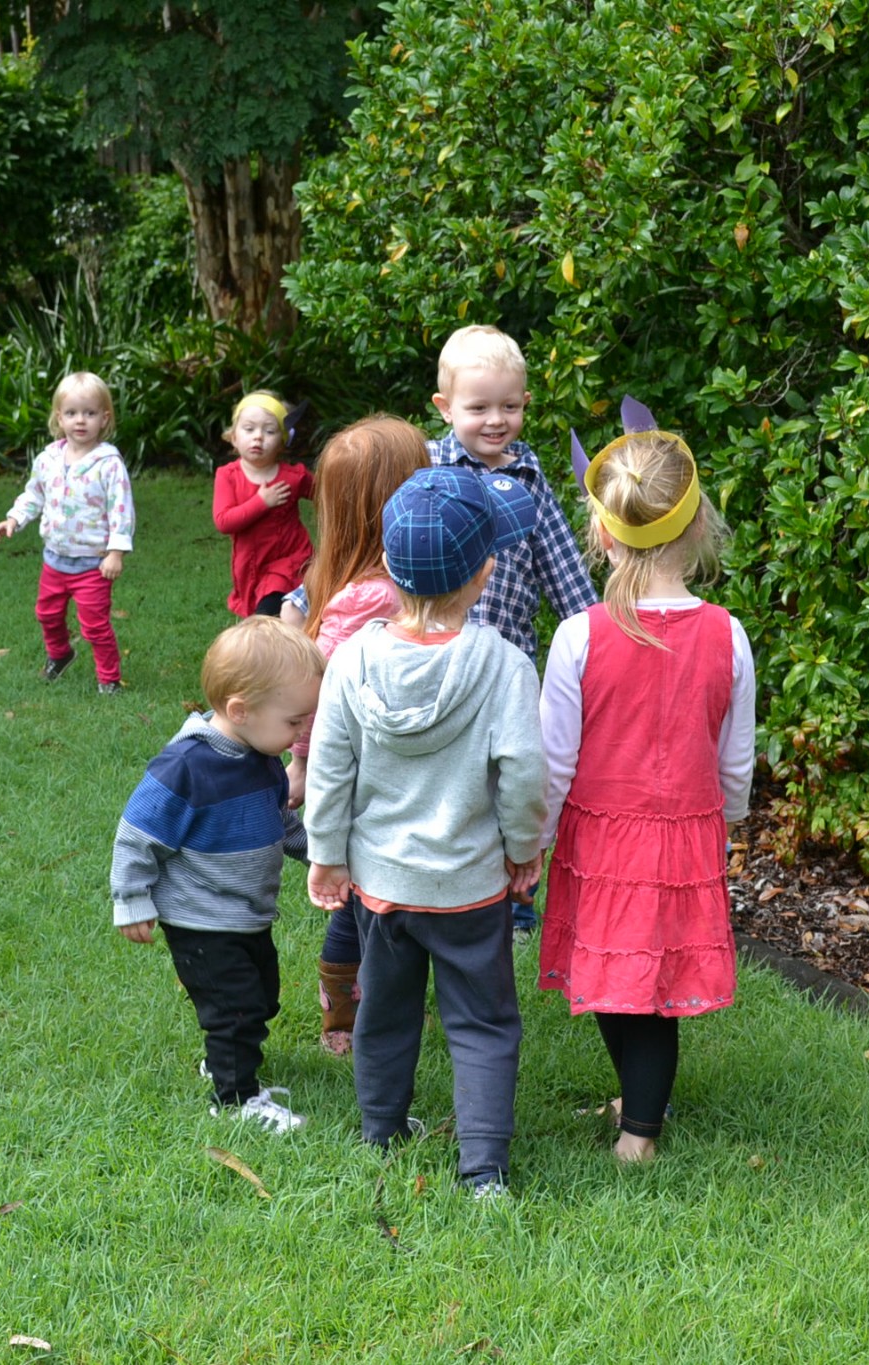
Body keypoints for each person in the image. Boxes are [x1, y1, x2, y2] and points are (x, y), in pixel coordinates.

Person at [305, 465, 549, 1197]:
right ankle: (484, 1170)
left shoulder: (352, 660)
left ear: (388, 564)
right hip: (469, 888)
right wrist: (523, 850)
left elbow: (329, 768)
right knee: (482, 1023)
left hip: (381, 887)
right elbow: (524, 776)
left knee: (384, 1010)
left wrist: (326, 855)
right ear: (484, 574)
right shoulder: (504, 666)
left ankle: (381, 1128)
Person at [538, 409, 755, 1164]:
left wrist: (533, 840)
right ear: (698, 528)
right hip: (679, 835)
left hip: (601, 838)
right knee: (635, 979)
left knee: (629, 981)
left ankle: (639, 1135)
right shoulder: (727, 634)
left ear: (602, 535)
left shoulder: (578, 635)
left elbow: (554, 760)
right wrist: (728, 817)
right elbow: (735, 755)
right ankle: (640, 1098)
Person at [111, 617, 326, 1133]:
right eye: (294, 722)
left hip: (247, 914)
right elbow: (137, 834)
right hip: (201, 919)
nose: (302, 734)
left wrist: (323, 854)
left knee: (262, 997)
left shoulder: (262, 758)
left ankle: (225, 1058)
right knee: (236, 1008)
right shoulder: (185, 767)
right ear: (240, 710)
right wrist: (131, 899)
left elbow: (279, 822)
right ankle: (235, 1099)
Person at [427, 325, 600, 937]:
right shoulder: (426, 469)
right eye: (478, 408)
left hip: (509, 665)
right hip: (437, 660)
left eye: (509, 406)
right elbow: (385, 549)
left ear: (525, 402)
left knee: (513, 778)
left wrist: (599, 638)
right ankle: (441, 883)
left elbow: (563, 568)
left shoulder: (529, 477)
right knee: (448, 777)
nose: (496, 420)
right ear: (446, 408)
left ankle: (517, 897)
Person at [274, 416, 429, 1056]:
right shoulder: (371, 596)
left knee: (367, 899)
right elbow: (322, 691)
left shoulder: (359, 581)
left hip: (387, 774)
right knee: (356, 904)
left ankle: (369, 1005)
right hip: (363, 778)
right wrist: (302, 762)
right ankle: (344, 1017)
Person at [0, 372, 134, 694]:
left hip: (93, 564)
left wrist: (116, 552)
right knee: (47, 614)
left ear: (104, 418)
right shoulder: (48, 459)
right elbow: (34, 495)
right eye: (71, 413)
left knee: (95, 626)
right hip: (54, 560)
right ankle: (60, 654)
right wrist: (13, 519)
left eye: (89, 413)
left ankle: (109, 679)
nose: (80, 420)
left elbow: (121, 510)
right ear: (59, 417)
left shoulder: (108, 463)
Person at [212, 391, 315, 617]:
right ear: (234, 437)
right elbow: (223, 521)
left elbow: (327, 493)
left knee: (266, 615)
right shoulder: (227, 476)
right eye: (249, 429)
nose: (258, 437)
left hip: (290, 559)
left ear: (282, 441)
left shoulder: (293, 477)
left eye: (269, 431)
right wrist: (261, 502)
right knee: (266, 616)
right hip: (250, 565)